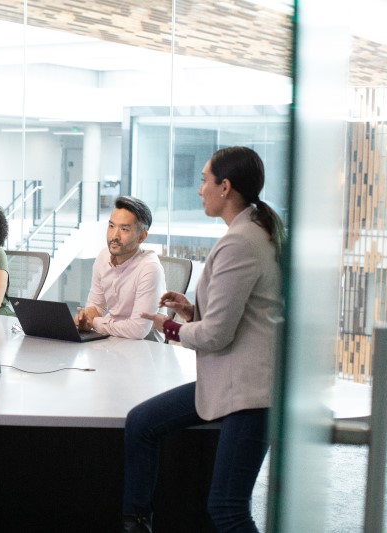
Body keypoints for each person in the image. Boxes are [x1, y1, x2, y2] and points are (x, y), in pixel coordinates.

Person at [125, 147, 285, 533]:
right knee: (141, 422)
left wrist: (172, 327)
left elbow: (215, 335)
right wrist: (191, 312)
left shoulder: (240, 241)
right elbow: (237, 316)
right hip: (233, 377)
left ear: (225, 187)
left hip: (250, 390)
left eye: (203, 180)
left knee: (228, 508)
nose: (199, 190)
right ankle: (135, 521)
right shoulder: (253, 231)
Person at [74, 195, 166, 341]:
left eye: (124, 229)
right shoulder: (103, 258)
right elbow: (95, 306)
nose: (114, 236)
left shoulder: (150, 269)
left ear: (141, 237)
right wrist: (85, 318)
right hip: (112, 342)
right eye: (111, 226)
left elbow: (137, 330)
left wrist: (95, 322)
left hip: (145, 350)